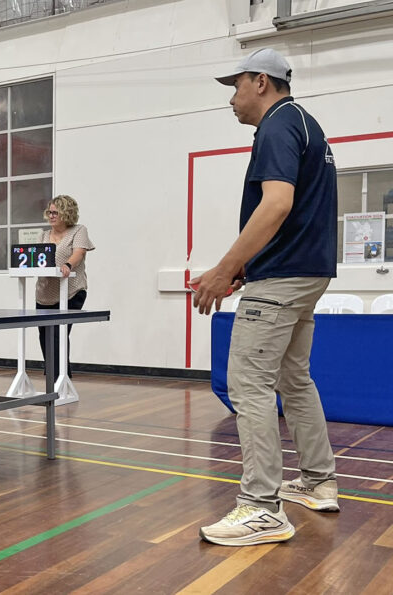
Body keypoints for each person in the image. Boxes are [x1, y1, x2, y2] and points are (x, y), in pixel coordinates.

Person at [193, 48, 339, 547]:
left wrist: (224, 268)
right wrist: (246, 269)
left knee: (248, 383)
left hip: (283, 279)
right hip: (305, 273)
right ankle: (318, 482)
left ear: (261, 82)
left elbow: (277, 205)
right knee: (294, 379)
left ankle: (261, 507)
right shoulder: (306, 125)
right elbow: (294, 216)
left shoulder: (277, 126)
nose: (231, 99)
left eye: (236, 86)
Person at [35, 194, 94, 378]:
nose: (51, 216)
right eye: (50, 212)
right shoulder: (43, 235)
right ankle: (58, 378)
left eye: (56, 213)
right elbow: (37, 259)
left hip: (71, 292)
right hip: (45, 295)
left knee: (58, 334)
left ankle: (59, 379)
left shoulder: (78, 230)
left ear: (66, 213)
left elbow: (79, 253)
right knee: (45, 337)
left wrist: (68, 265)